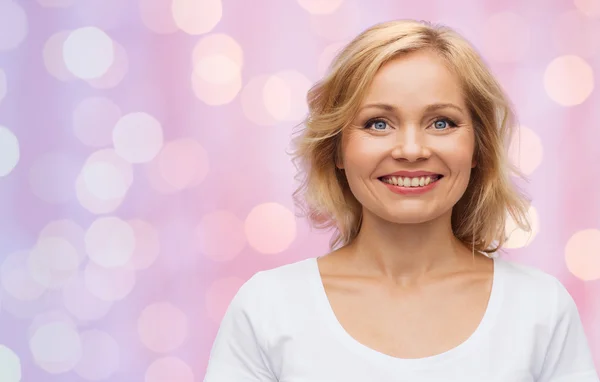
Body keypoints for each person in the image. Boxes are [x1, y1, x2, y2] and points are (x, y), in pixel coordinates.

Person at [203, 19, 599, 381]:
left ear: (477, 147)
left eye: (441, 122)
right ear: (337, 150)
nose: (411, 149)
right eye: (378, 123)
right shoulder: (267, 309)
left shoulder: (540, 309)